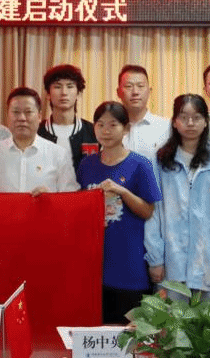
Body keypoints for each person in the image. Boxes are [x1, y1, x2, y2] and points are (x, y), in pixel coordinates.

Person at [144, 94, 210, 300]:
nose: (190, 123)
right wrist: (155, 258)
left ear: (206, 122)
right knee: (172, 320)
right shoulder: (159, 163)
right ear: (174, 122)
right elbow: (152, 214)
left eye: (197, 117)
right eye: (184, 117)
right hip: (171, 266)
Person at [77, 101, 161, 323]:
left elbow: (148, 211)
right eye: (100, 124)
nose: (105, 130)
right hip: (94, 266)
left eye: (113, 125)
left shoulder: (140, 164)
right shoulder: (86, 165)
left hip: (129, 265)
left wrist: (123, 191)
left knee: (128, 335)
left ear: (126, 128)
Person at [0, 87, 78, 194]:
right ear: (7, 115)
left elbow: (70, 198)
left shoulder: (59, 154)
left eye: (28, 112)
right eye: (16, 112)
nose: (22, 118)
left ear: (39, 116)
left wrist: (50, 198)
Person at [38, 64, 98, 170]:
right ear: (48, 94)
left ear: (79, 93)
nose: (64, 92)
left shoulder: (93, 132)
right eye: (57, 87)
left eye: (70, 86)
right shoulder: (37, 132)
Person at [117, 65, 169, 159]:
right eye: (129, 86)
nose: (135, 92)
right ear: (118, 92)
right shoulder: (111, 130)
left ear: (149, 91)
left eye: (140, 86)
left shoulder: (166, 128)